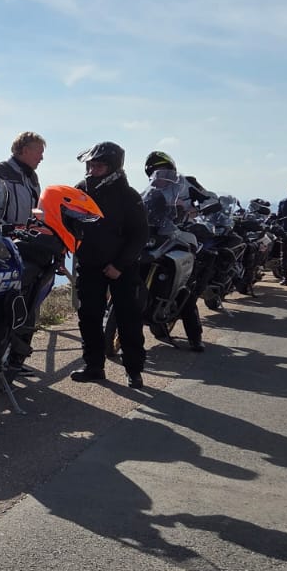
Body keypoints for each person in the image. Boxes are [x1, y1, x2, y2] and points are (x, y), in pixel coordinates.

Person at [70, 142, 148, 387]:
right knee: (89, 317)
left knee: (128, 319)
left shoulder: (129, 196)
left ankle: (134, 370)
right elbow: (67, 221)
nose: (92, 170)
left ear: (113, 167)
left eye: (98, 166)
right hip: (89, 264)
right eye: (90, 165)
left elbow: (140, 235)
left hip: (122, 268)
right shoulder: (81, 190)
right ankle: (94, 367)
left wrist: (120, 265)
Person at [0, 132, 46, 373]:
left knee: (28, 299)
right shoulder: (0, 171)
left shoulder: (32, 177)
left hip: (26, 247)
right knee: (1, 300)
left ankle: (16, 358)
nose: (41, 157)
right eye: (39, 152)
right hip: (1, 247)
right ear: (24, 150)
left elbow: (36, 211)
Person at [142, 150, 204, 351]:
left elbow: (208, 198)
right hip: (158, 234)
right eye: (156, 171)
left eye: (164, 169)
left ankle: (195, 337)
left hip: (182, 234)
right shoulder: (150, 192)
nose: (161, 174)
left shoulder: (187, 183)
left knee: (186, 287)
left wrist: (199, 208)